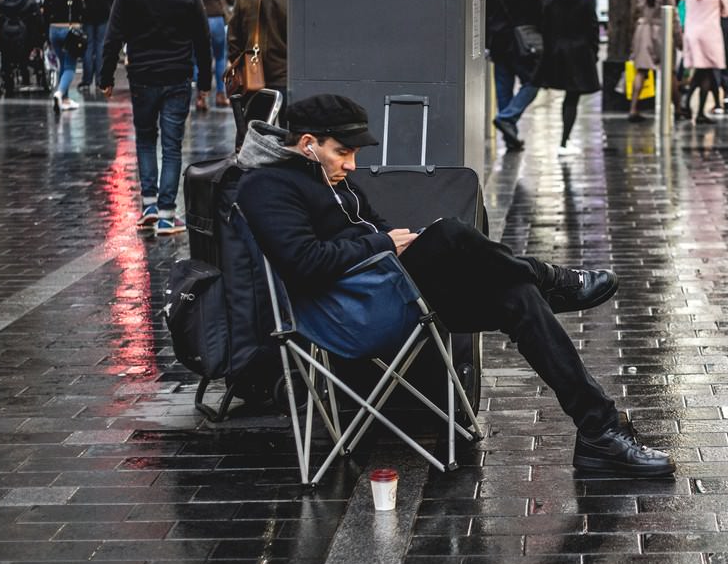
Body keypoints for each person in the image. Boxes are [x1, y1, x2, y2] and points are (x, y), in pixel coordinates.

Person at [235, 94, 674, 478]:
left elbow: (376, 228)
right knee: (450, 233)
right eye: (342, 152)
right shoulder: (265, 186)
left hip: (392, 292)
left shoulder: (332, 178)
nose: (351, 164)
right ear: (308, 143)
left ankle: (599, 432)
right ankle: (552, 279)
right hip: (348, 314)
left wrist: (401, 242)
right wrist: (384, 243)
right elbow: (305, 264)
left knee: (517, 297)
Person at [98, 0, 212, 237]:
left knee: (146, 139)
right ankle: (166, 215)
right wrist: (204, 81)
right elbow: (202, 40)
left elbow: (113, 36)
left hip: (143, 76)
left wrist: (105, 77)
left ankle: (148, 205)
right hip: (177, 75)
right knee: (172, 146)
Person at [226, 0, 288, 147]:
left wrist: (241, 65)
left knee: (251, 143)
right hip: (287, 78)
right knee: (290, 143)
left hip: (253, 79)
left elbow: (233, 35)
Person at [485, 0, 545, 150]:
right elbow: (543, 9)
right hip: (524, 43)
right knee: (534, 81)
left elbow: (485, 11)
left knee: (503, 89)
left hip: (498, 42)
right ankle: (507, 118)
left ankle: (511, 138)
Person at [534, 0, 601, 147]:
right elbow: (593, 29)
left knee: (561, 93)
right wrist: (593, 52)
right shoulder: (587, 0)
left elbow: (544, 25)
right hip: (579, 54)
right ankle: (564, 140)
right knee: (572, 98)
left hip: (557, 52)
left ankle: (564, 141)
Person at [681, 0, 728, 125]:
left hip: (692, 32)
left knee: (701, 70)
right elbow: (727, 9)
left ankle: (687, 101)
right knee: (706, 72)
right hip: (710, 33)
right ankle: (699, 111)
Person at [627, 0, 675, 124]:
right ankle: (676, 107)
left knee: (641, 70)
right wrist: (678, 37)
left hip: (643, 30)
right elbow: (673, 15)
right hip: (661, 30)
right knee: (669, 70)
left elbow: (637, 9)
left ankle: (633, 107)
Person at [185, 0, 233, 112]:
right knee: (220, 58)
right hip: (217, 19)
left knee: (198, 58)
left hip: (197, 20)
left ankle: (201, 97)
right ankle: (221, 94)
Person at [42, 0, 84, 112]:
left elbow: (45, 13)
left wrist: (46, 35)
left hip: (54, 30)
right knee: (70, 66)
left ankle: (64, 99)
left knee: (63, 64)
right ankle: (59, 93)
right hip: (70, 30)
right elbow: (80, 10)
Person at [0, 0, 40, 98]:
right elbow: (37, 22)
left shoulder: (2, 3)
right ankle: (27, 74)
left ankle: (8, 81)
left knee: (6, 56)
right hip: (26, 43)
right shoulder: (30, 2)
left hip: (7, 43)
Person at [79, 0, 117, 94]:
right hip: (103, 12)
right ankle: (100, 80)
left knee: (88, 46)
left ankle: (86, 80)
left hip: (88, 13)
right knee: (100, 46)